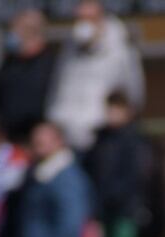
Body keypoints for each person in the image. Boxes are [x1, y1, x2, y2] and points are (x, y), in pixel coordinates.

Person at [47, 0, 144, 154]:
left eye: (89, 19)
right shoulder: (68, 48)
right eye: (80, 19)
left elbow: (132, 93)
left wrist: (117, 118)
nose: (83, 24)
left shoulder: (120, 47)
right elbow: (58, 91)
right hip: (68, 140)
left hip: (104, 139)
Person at [18, 122, 92, 237]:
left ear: (59, 142)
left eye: (42, 142)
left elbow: (70, 224)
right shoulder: (38, 175)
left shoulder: (66, 178)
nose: (37, 147)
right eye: (34, 142)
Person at [85, 91, 149, 237]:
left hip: (126, 209)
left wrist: (115, 195)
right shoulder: (101, 140)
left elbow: (136, 176)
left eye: (117, 109)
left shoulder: (135, 140)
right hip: (104, 210)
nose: (112, 113)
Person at [0, 8, 58, 138]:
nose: (12, 33)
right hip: (7, 138)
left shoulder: (51, 64)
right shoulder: (9, 63)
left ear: (31, 31)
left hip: (36, 140)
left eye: (16, 28)